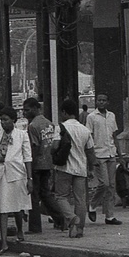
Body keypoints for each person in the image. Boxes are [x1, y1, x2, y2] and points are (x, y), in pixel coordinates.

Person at [0, 107, 32, 253]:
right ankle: (4, 242)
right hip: (1, 173)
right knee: (3, 207)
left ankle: (20, 230)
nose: (3, 122)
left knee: (18, 205)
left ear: (13, 120)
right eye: (1, 120)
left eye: (6, 119)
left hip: (18, 173)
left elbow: (27, 157)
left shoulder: (22, 135)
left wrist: (30, 178)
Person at [23, 97, 69, 232]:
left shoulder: (32, 126)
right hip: (48, 162)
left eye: (27, 110)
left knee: (34, 196)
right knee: (46, 193)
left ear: (35, 109)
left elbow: (34, 146)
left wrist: (30, 163)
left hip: (37, 164)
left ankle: (35, 226)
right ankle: (61, 219)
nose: (25, 113)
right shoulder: (50, 123)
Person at [53, 99, 91, 238]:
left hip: (64, 167)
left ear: (64, 112)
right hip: (81, 168)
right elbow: (90, 150)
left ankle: (72, 218)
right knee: (80, 199)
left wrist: (53, 153)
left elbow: (55, 146)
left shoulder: (60, 128)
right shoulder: (85, 130)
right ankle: (79, 229)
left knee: (61, 197)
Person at [85, 93, 122, 226]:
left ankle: (110, 216)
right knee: (104, 183)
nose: (101, 102)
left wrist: (120, 154)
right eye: (99, 100)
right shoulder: (91, 117)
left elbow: (114, 135)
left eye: (104, 100)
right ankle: (92, 205)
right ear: (96, 102)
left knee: (112, 186)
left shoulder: (111, 116)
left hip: (111, 153)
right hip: (99, 154)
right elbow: (89, 137)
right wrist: (91, 156)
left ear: (107, 102)